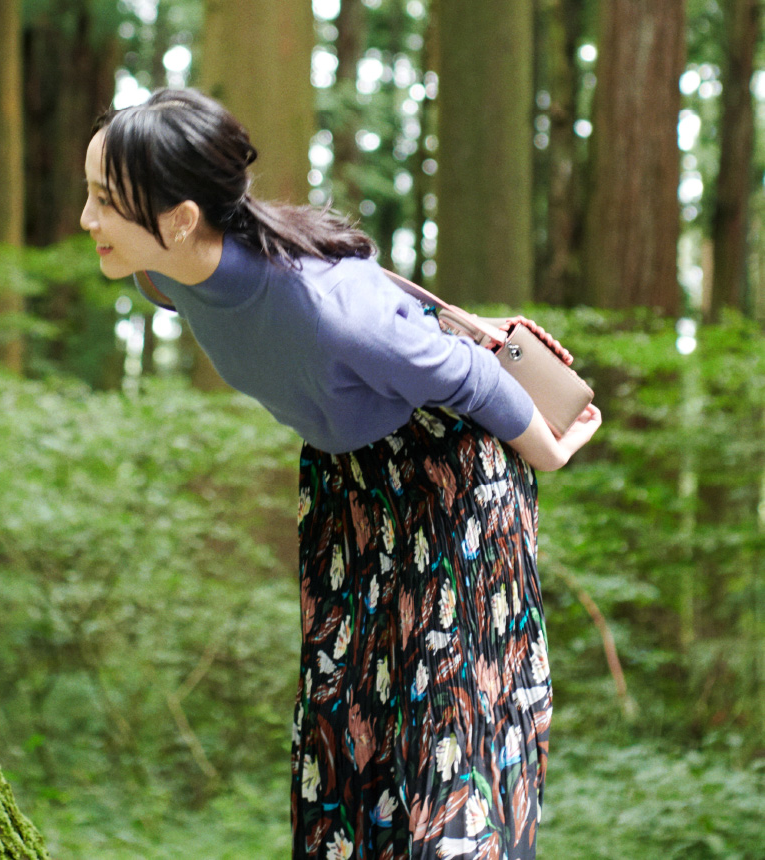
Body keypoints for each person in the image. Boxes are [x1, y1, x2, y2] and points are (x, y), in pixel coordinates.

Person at [79, 88, 601, 860]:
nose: (86, 220)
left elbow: (466, 378)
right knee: (345, 726)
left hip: (450, 474)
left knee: (450, 731)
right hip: (347, 486)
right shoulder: (163, 276)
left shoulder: (326, 304)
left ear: (181, 218)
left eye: (103, 201)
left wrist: (551, 451)